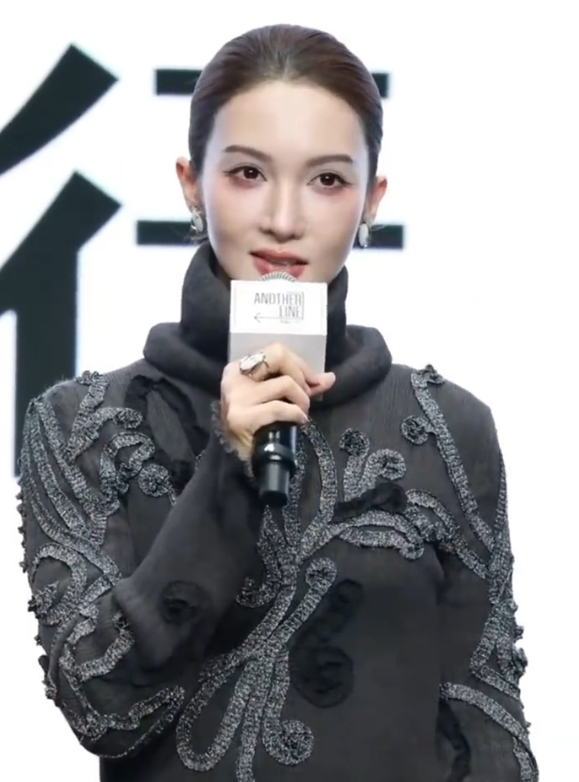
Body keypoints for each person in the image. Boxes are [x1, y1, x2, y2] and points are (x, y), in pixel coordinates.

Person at [17, 23, 538, 782]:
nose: (285, 219)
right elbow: (103, 708)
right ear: (190, 183)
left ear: (372, 200)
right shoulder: (82, 424)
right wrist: (228, 470)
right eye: (248, 173)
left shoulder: (447, 428)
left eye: (326, 180)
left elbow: (487, 729)